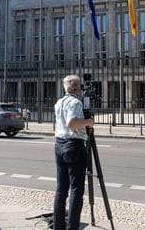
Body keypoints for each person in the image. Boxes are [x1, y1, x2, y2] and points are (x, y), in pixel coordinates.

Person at [53, 75, 94, 230]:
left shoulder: (59, 102)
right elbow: (72, 123)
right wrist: (89, 122)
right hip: (74, 146)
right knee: (76, 191)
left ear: (65, 87)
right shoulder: (75, 102)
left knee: (61, 190)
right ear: (78, 88)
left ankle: (58, 227)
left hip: (59, 145)